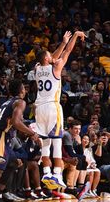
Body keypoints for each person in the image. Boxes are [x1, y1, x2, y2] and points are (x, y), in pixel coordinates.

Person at [35, 30, 85, 190]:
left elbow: (52, 57)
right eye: (50, 55)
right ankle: (57, 175)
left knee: (45, 144)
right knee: (56, 142)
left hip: (39, 108)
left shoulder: (36, 68)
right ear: (47, 59)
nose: (53, 57)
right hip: (52, 106)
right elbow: (67, 52)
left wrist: (62, 43)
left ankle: (46, 172)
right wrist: (74, 36)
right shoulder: (56, 67)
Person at [0, 80, 40, 200]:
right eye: (24, 88)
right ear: (21, 90)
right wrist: (32, 134)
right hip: (0, 136)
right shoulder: (20, 102)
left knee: (14, 162)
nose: (25, 90)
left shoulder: (8, 102)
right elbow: (16, 122)